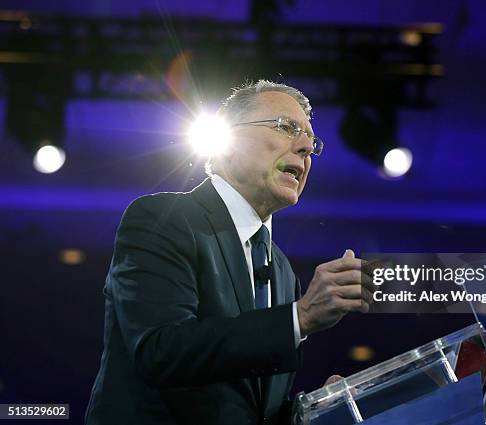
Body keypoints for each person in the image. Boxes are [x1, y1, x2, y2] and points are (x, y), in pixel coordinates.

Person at [84, 80, 372, 425]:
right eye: (286, 127)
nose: (305, 148)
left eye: (311, 143)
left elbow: (245, 405)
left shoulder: (281, 271)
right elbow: (160, 352)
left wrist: (314, 412)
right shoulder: (163, 219)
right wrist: (300, 317)